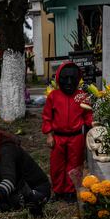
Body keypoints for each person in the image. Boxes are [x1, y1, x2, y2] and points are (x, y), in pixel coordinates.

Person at [42, 61, 93, 203]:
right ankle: (58, 191)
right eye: (66, 79)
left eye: (73, 79)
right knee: (57, 165)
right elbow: (47, 117)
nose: (69, 82)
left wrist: (92, 125)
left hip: (76, 137)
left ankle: (71, 192)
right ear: (59, 79)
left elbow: (88, 115)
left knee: (75, 165)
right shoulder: (54, 96)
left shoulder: (82, 96)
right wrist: (49, 135)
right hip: (58, 137)